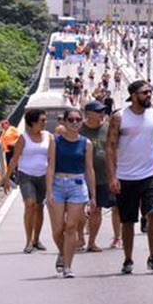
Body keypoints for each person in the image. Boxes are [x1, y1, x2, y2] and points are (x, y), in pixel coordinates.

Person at [106, 80, 153, 275]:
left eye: (150, 92)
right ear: (133, 96)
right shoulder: (119, 117)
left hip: (150, 173)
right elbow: (110, 147)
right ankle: (128, 258)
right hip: (125, 176)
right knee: (128, 221)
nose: (148, 96)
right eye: (144, 93)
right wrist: (113, 176)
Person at [46, 108, 96, 278]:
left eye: (78, 120)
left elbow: (89, 169)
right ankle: (62, 252)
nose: (75, 123)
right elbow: (50, 167)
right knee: (57, 229)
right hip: (58, 183)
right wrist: (49, 191)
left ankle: (67, 266)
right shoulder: (55, 141)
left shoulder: (86, 143)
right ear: (65, 122)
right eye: (71, 120)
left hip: (77, 184)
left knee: (71, 227)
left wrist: (93, 195)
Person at [4, 109, 51, 254]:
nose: (45, 123)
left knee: (39, 207)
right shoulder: (24, 138)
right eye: (42, 120)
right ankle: (28, 240)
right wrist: (7, 178)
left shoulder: (48, 136)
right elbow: (14, 159)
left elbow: (52, 157)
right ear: (33, 122)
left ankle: (36, 239)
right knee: (30, 204)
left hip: (43, 176)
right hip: (26, 175)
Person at [80, 101, 121, 251]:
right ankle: (79, 238)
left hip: (104, 176)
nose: (102, 114)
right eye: (98, 112)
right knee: (79, 210)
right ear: (88, 114)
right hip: (82, 177)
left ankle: (92, 242)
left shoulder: (108, 129)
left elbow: (115, 149)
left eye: (103, 111)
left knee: (97, 209)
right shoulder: (79, 130)